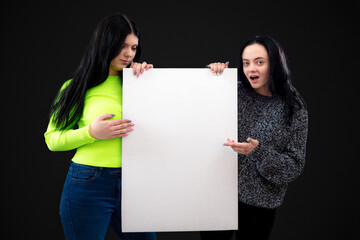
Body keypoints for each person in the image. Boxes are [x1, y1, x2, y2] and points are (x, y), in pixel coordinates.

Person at [44, 13, 156, 240]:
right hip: (87, 184)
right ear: (106, 43)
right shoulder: (76, 87)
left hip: (133, 181)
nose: (129, 54)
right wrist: (91, 133)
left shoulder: (141, 83)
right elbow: (52, 140)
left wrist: (151, 82)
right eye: (122, 46)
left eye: (134, 48)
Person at [202, 35, 308, 240]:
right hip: (218, 196)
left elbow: (294, 165)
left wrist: (258, 152)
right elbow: (194, 108)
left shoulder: (294, 108)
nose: (251, 69)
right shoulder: (232, 91)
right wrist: (213, 78)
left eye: (260, 62)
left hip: (259, 205)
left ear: (275, 64)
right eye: (246, 63)